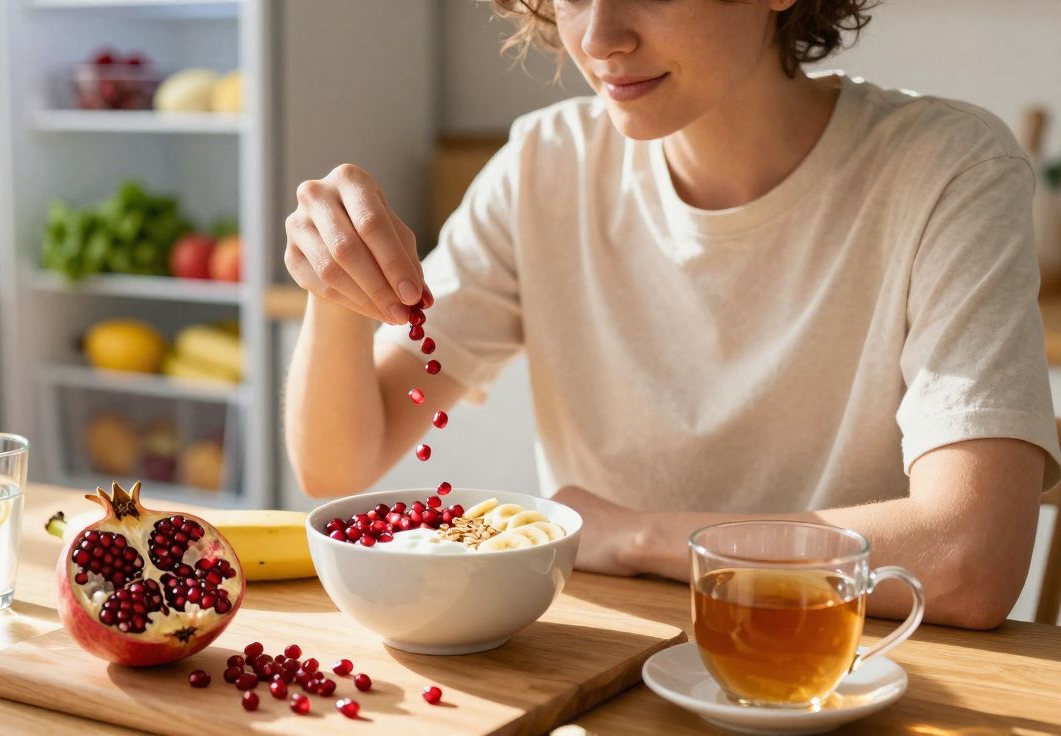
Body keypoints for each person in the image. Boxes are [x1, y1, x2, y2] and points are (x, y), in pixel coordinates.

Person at [281, 0, 1060, 629]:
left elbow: (969, 560)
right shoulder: (542, 166)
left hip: (848, 673)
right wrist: (336, 298)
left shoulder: (946, 167)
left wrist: (635, 535)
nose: (600, 36)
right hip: (609, 665)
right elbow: (340, 461)